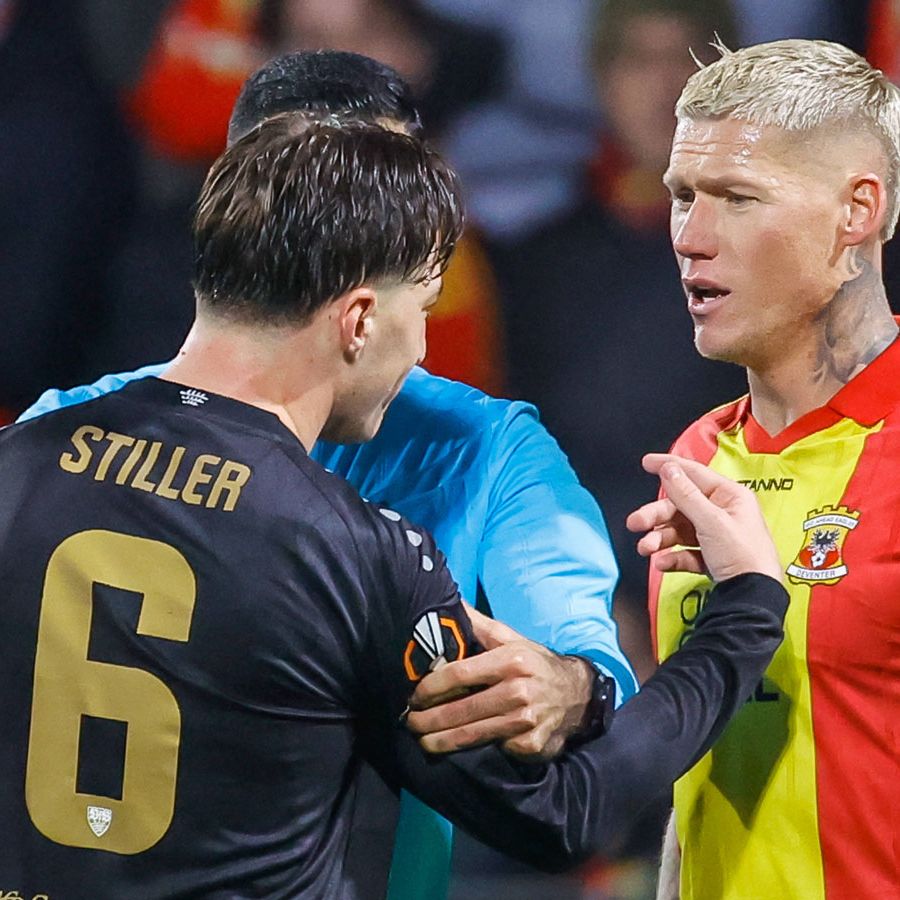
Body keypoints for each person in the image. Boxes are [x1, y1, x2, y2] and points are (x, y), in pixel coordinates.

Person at [0, 111, 789, 898]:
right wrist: (744, 611)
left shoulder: (18, 462)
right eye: (425, 307)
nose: (422, 347)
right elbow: (568, 812)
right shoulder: (351, 551)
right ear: (360, 320)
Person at [643, 39, 900, 900]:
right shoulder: (697, 459)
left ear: (856, 210)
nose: (691, 238)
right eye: (683, 196)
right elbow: (706, 785)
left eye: (738, 198)